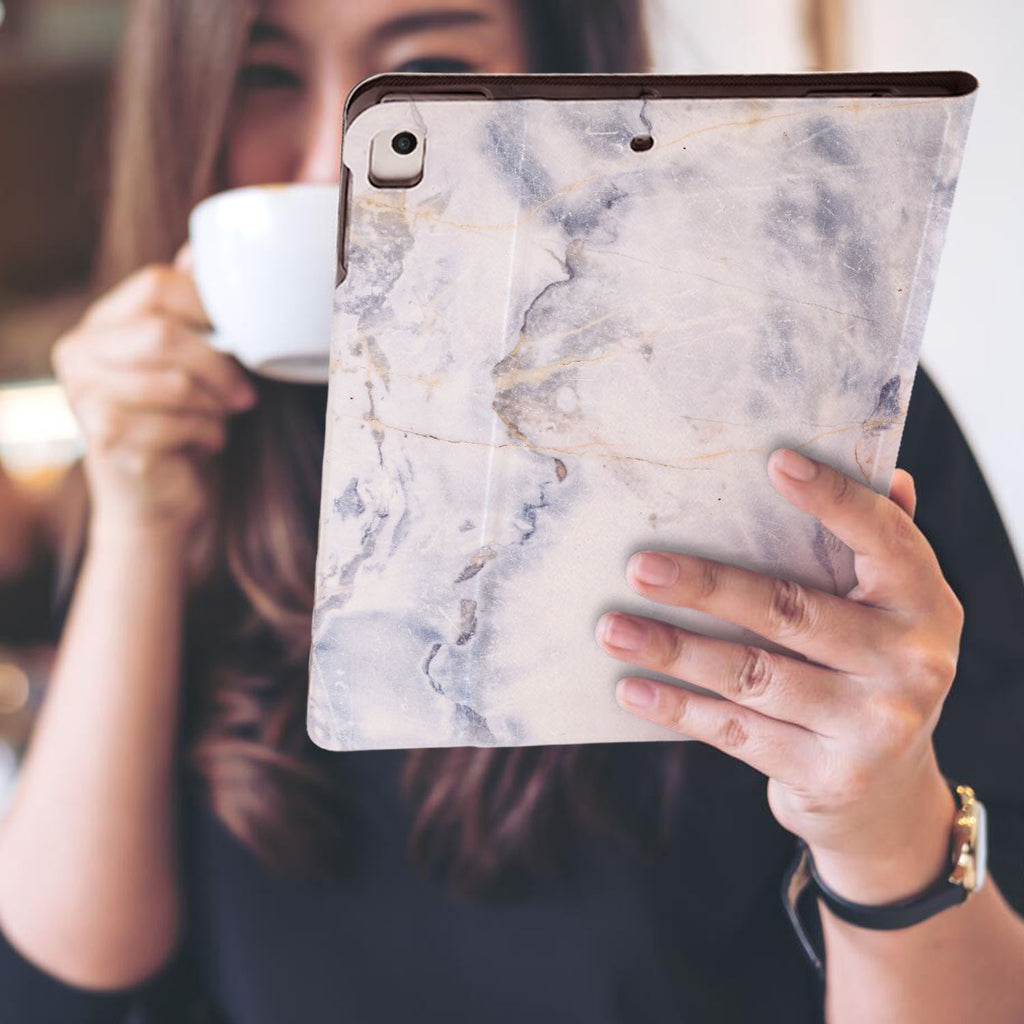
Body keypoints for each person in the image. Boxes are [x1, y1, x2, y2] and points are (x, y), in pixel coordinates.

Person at [1, 1, 1023, 1022]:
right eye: (266, 77)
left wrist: (882, 823)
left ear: (565, 78)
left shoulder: (797, 405)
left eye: (427, 67)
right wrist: (136, 521)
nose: (330, 161)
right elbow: (68, 983)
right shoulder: (175, 443)